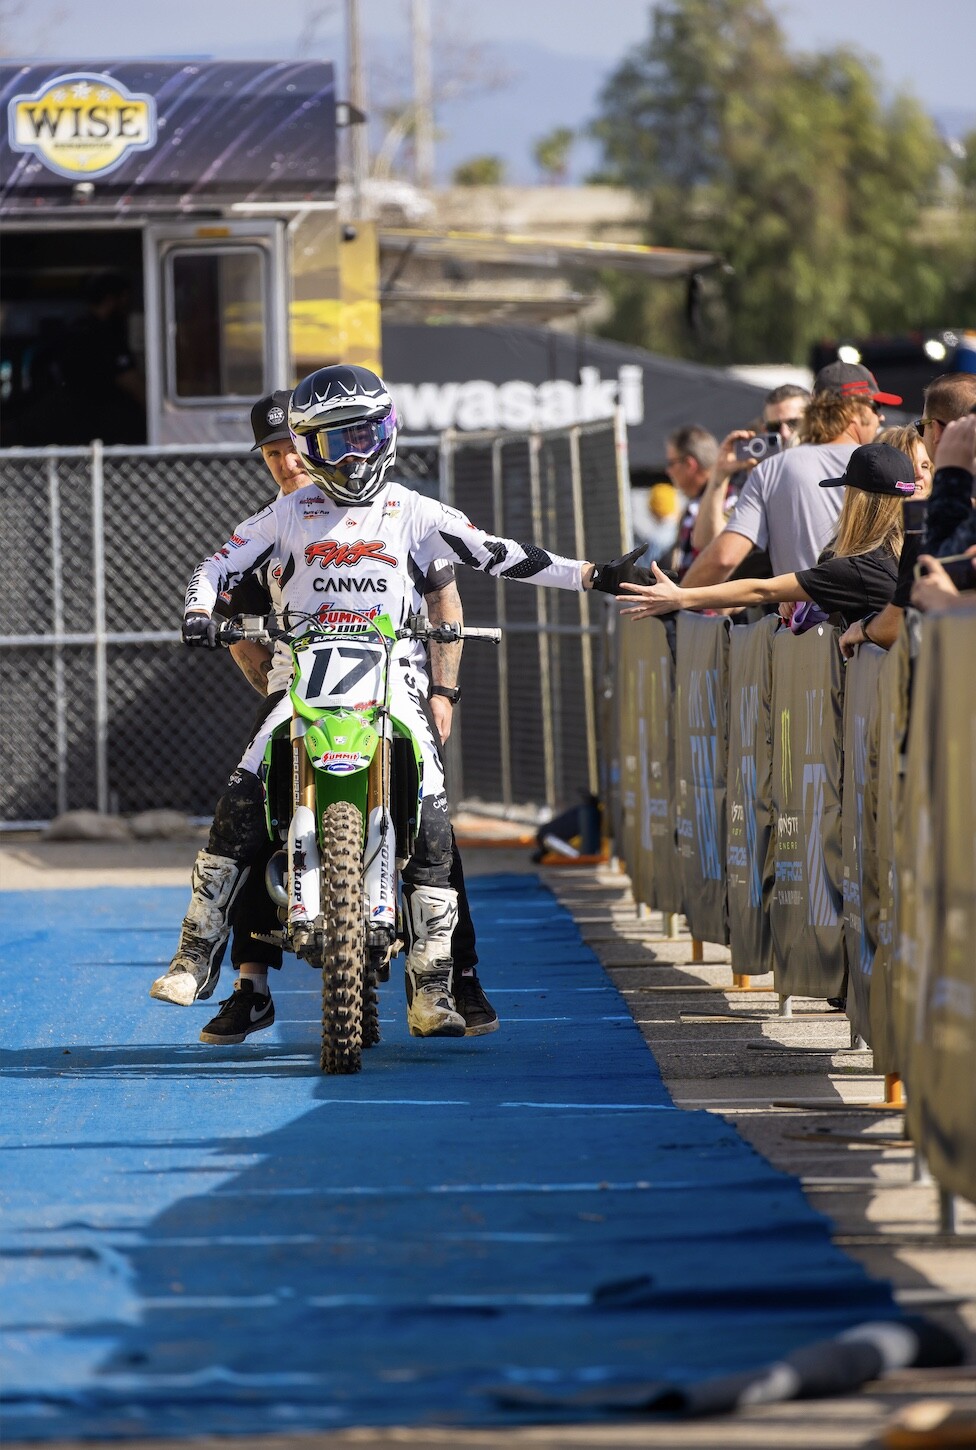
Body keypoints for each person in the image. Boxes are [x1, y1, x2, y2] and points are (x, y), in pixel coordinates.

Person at [150, 364, 648, 1039]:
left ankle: (436, 984)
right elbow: (214, 567)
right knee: (244, 789)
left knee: (437, 819)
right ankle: (195, 950)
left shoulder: (412, 508)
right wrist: (198, 611)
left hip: (394, 678)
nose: (354, 455)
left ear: (387, 431)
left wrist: (596, 574)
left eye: (365, 435)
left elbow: (498, 552)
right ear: (308, 448)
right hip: (307, 676)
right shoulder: (288, 512)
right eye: (334, 443)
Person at [201, 391, 498, 1044]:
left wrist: (444, 693)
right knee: (259, 822)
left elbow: (446, 600)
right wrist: (266, 678)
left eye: (295, 449)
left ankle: (453, 975)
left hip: (395, 693)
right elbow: (230, 616)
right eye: (273, 452)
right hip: (304, 694)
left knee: (431, 824)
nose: (286, 463)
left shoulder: (395, 514)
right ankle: (250, 985)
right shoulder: (277, 524)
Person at [617, 441, 924, 629]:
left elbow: (761, 591)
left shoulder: (857, 568)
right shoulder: (918, 548)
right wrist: (810, 601)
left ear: (855, 501)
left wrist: (682, 597)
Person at [680, 362, 898, 588]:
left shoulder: (771, 471)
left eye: (793, 423)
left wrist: (675, 600)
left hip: (804, 618)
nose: (880, 417)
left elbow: (723, 558)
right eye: (876, 406)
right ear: (856, 409)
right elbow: (710, 545)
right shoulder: (889, 463)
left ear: (813, 413)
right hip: (875, 616)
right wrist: (718, 477)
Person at [838, 375, 976, 658]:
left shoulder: (935, 514)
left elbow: (901, 619)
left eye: (920, 426)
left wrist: (865, 629)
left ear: (936, 430)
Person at [692, 383, 811, 553]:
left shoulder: (836, 467)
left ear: (813, 421)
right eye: (774, 427)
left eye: (794, 423)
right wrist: (720, 475)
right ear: (764, 430)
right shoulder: (764, 481)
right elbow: (706, 541)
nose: (784, 433)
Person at [662, 425, 719, 578]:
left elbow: (718, 558)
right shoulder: (694, 504)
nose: (668, 471)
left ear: (689, 464)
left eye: (671, 463)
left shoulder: (726, 498)